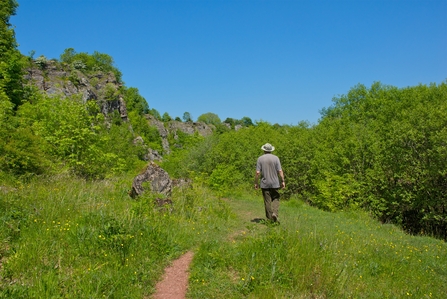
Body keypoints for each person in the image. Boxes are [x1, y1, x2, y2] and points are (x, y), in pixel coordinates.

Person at [254, 143, 285, 223]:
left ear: (264, 150)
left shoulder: (260, 159)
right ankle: (275, 213)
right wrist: (283, 181)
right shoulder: (276, 158)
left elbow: (257, 173)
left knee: (267, 201)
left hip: (264, 183)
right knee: (276, 198)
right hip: (275, 183)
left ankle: (270, 219)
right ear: (271, 150)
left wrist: (256, 183)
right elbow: (280, 171)